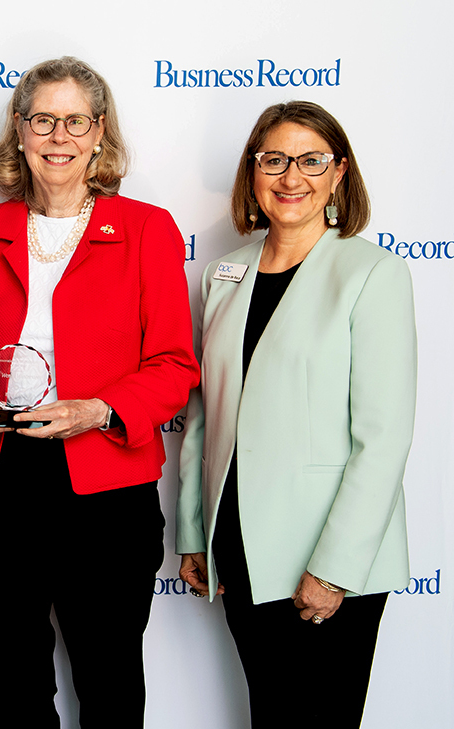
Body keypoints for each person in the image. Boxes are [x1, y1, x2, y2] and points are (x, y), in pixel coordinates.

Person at [0, 56, 199, 728]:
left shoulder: (146, 228)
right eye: (43, 120)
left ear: (98, 131)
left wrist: (100, 409)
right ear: (19, 131)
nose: (58, 136)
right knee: (16, 686)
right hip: (1, 484)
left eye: (74, 120)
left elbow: (174, 365)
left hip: (106, 488)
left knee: (110, 687)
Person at [176, 101, 416, 727]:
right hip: (241, 546)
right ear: (252, 173)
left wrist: (334, 569)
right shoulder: (225, 274)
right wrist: (195, 530)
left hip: (327, 555)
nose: (291, 177)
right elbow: (205, 418)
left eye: (312, 161)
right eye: (274, 160)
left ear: (339, 173)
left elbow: (383, 439)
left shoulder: (372, 272)